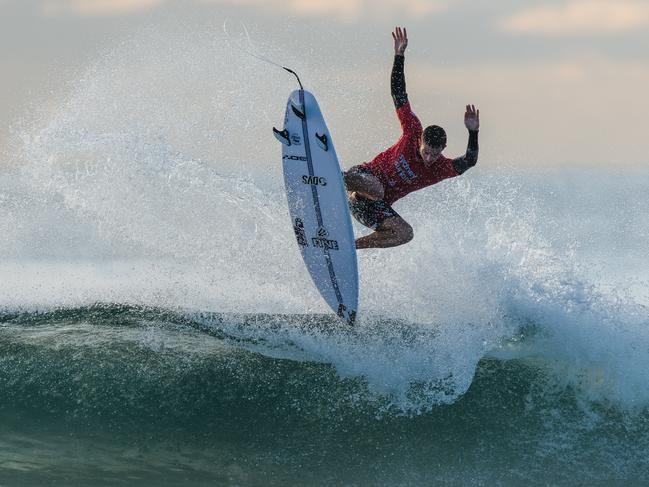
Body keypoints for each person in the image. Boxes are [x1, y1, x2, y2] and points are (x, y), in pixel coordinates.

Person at [344, 27, 480, 249]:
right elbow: (399, 93)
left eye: (435, 154)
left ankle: (348, 247)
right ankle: (333, 177)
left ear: (443, 148)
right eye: (426, 152)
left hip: (371, 206)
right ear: (420, 142)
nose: (429, 158)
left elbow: (469, 161)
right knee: (376, 189)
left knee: (405, 233)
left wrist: (473, 132)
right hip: (361, 178)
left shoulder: (440, 168)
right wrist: (399, 56)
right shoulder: (412, 132)